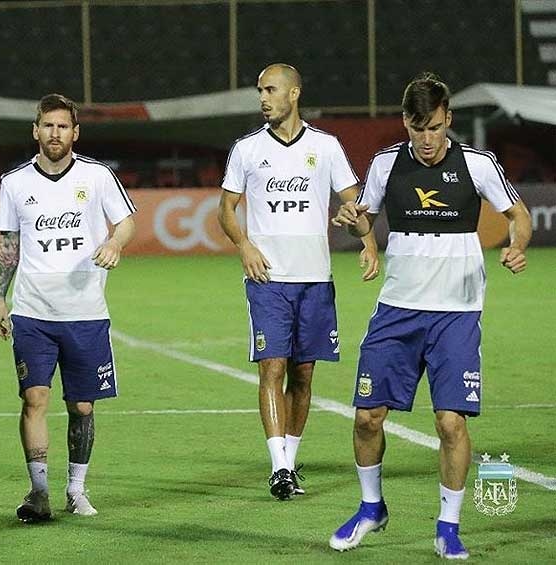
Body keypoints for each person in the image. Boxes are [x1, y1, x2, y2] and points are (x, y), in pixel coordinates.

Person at [328, 73, 531, 559]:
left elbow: (518, 215)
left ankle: (448, 526)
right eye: (418, 128)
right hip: (397, 312)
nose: (426, 139)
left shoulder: (477, 164)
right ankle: (371, 507)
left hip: (456, 316)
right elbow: (365, 217)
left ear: (448, 121)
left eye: (435, 128)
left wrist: (517, 246)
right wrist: (357, 228)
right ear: (405, 122)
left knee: (450, 424)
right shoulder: (384, 165)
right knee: (366, 417)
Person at [218, 63, 379, 500]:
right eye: (260, 91)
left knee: (303, 375)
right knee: (272, 367)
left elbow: (353, 204)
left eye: (270, 90)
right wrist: (245, 246)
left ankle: (290, 459)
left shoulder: (325, 147)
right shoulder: (247, 149)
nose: (263, 98)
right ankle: (280, 468)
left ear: (294, 94)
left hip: (315, 279)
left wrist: (367, 242)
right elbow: (226, 209)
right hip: (268, 277)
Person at [0, 93, 136, 522]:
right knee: (34, 398)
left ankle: (76, 488)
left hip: (86, 312)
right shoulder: (15, 183)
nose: (55, 133)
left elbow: (126, 221)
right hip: (32, 312)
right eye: (47, 126)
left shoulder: (97, 177)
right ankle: (39, 492)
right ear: (36, 130)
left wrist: (114, 241)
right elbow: (8, 245)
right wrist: (0, 296)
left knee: (82, 407)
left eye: (63, 126)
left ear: (75, 132)